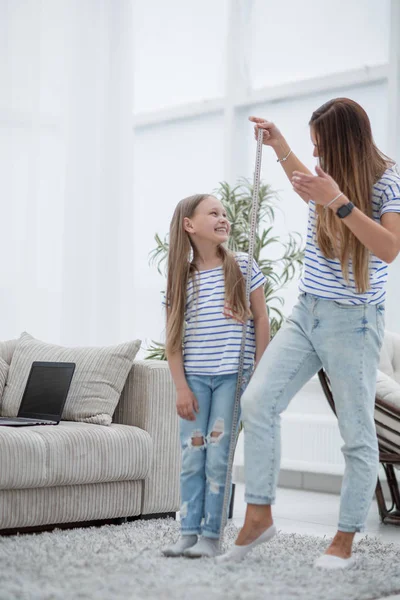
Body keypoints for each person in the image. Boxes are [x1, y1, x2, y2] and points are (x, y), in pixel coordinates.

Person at [216, 98, 400, 569]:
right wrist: (280, 146)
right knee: (258, 402)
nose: (316, 157)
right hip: (306, 312)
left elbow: (389, 249)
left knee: (356, 436)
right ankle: (259, 516)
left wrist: (337, 201)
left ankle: (344, 538)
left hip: (353, 322)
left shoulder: (387, 181)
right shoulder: (325, 177)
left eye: (321, 147)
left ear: (345, 145)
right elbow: (307, 185)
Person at [162, 193, 270, 558]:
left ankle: (211, 536)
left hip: (231, 377)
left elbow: (262, 319)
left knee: (219, 455)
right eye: (214, 213)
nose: (224, 218)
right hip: (194, 380)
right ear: (189, 225)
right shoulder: (181, 277)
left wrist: (259, 372)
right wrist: (180, 387)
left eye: (225, 213)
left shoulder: (241, 264)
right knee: (193, 456)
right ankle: (188, 532)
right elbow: (173, 339)